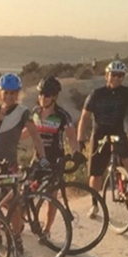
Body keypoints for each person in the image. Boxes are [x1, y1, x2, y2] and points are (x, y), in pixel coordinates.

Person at [0, 73, 49, 254]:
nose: (8, 97)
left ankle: (16, 239)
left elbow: (36, 137)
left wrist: (43, 157)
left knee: (14, 206)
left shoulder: (23, 112)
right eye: (5, 93)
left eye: (12, 93)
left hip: (9, 166)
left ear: (18, 94)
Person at [77, 60, 128, 219]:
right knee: (96, 174)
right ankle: (94, 204)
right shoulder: (96, 94)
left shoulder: (127, 92)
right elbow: (84, 117)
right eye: (113, 75)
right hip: (99, 134)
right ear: (106, 76)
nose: (117, 78)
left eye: (120, 75)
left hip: (118, 131)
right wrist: (80, 138)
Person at [30, 76, 81, 233]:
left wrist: (77, 154)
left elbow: (72, 137)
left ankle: (47, 230)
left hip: (55, 160)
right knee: (27, 193)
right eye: (40, 94)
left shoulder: (62, 115)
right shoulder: (35, 112)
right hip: (38, 159)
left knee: (51, 197)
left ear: (54, 97)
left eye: (46, 95)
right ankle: (31, 222)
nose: (42, 98)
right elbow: (29, 132)